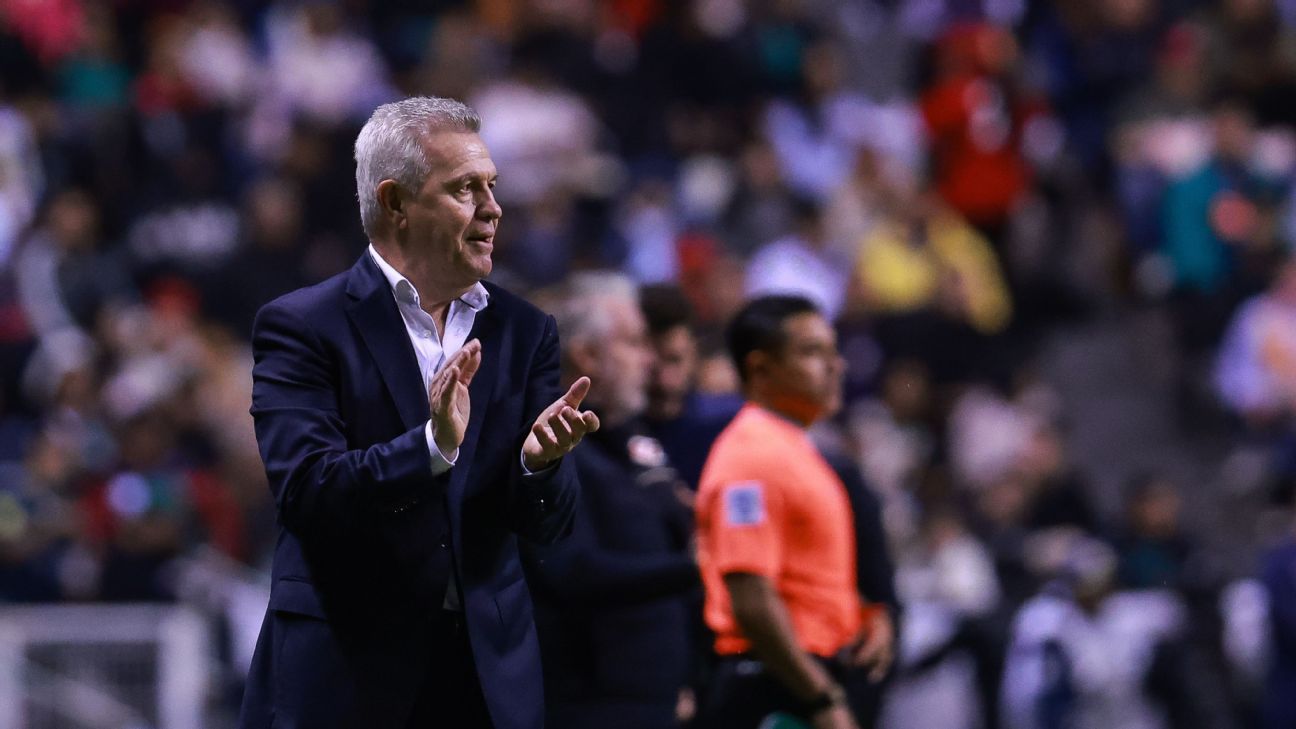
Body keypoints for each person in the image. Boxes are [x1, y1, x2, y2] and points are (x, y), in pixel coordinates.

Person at [238, 96, 597, 729]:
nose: (493, 208)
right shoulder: (303, 326)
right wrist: (430, 447)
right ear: (396, 203)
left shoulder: (524, 330)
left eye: (492, 186)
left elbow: (546, 529)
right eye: (465, 188)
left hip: (487, 679)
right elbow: (306, 491)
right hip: (347, 671)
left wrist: (540, 467)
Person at [693, 295, 893, 729]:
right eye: (811, 352)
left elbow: (799, 577)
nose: (836, 365)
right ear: (760, 369)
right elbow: (751, 597)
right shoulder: (750, 458)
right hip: (774, 687)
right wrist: (822, 698)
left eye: (832, 350)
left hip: (797, 677)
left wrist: (864, 616)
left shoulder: (796, 449)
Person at [525, 272, 700, 729]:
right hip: (594, 705)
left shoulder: (634, 441)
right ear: (588, 355)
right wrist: (697, 565)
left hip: (655, 699)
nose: (649, 360)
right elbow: (570, 570)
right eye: (634, 343)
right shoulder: (549, 447)